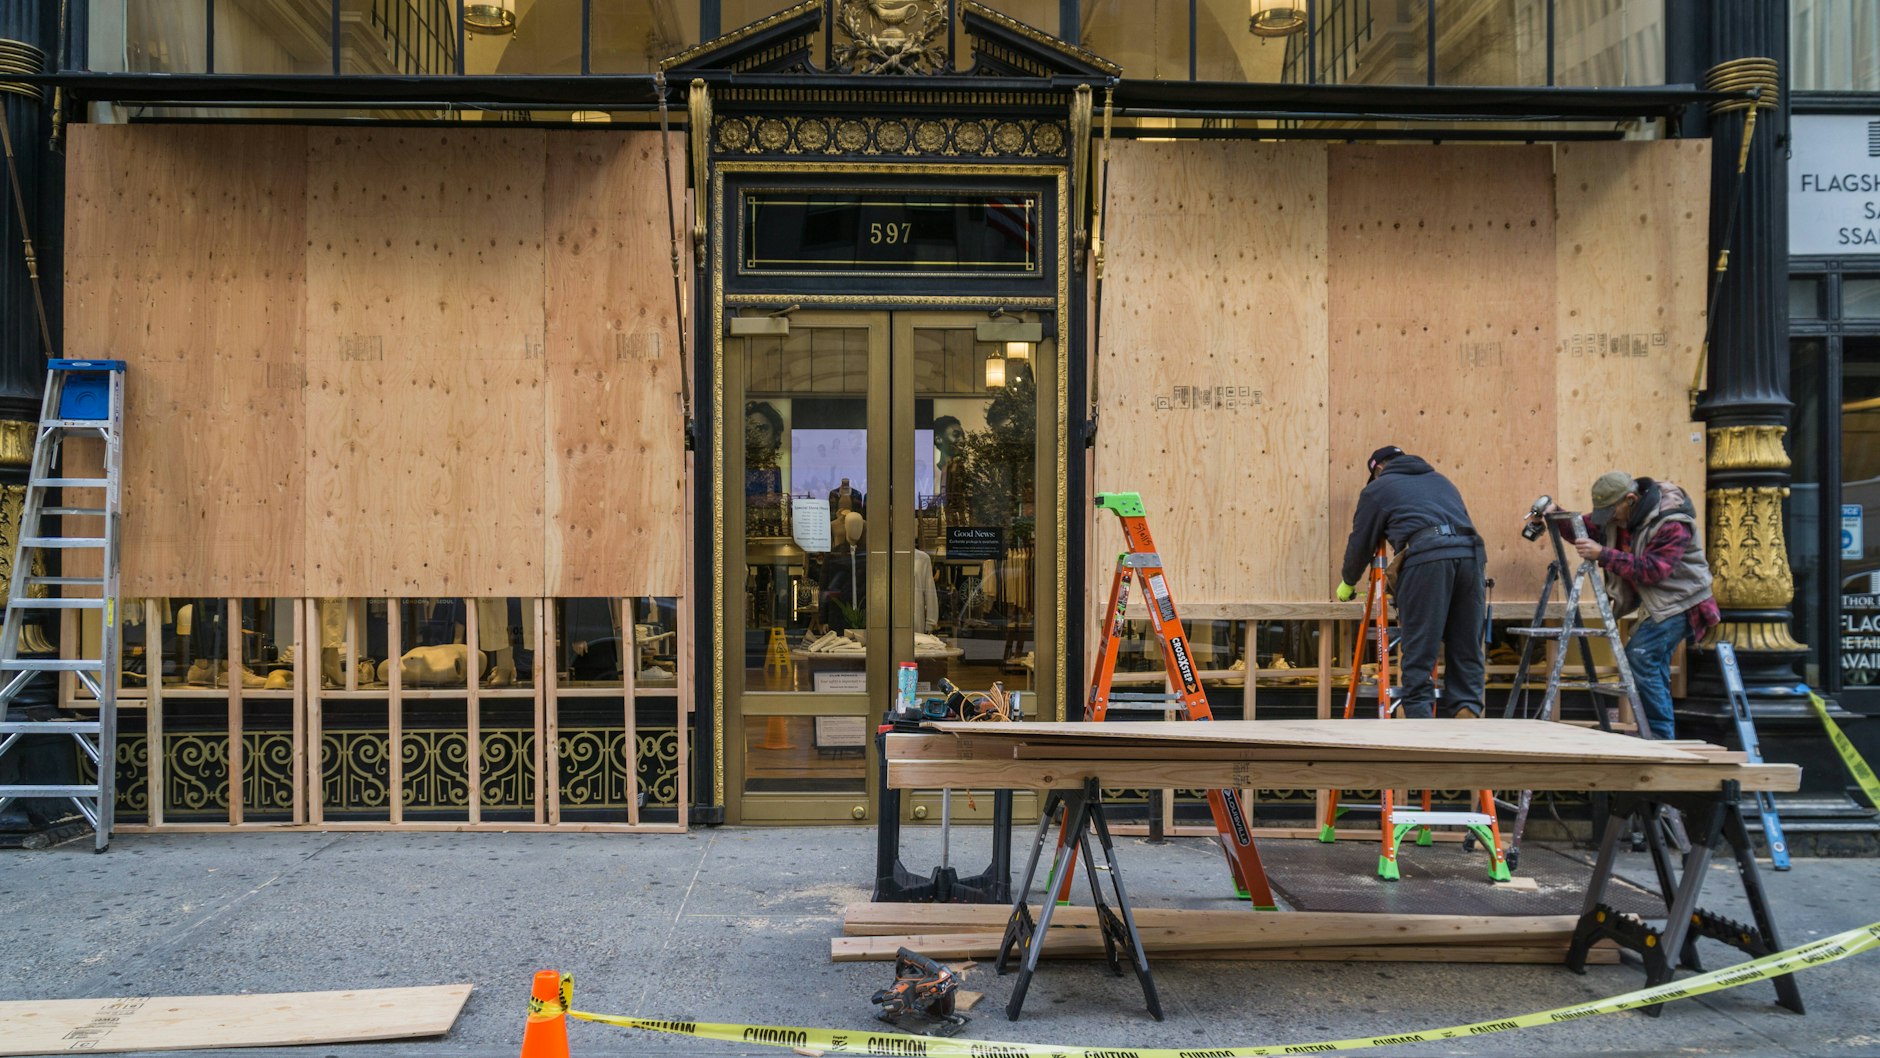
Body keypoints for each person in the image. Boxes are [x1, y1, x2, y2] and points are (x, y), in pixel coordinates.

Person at [1556, 471, 1718, 741]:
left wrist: (1603, 554)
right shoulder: (1622, 513)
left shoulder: (1672, 523)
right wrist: (1555, 513)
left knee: (1641, 656)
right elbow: (1584, 529)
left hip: (1684, 602)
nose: (1611, 519)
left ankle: (1658, 735)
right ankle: (1659, 732)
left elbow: (1654, 570)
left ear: (1630, 499)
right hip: (1659, 602)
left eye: (1613, 512)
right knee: (1652, 664)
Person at [1335, 445, 1486, 718]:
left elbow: (1361, 543)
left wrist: (1348, 581)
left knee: (1420, 644)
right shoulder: (1441, 480)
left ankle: (1417, 717)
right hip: (1471, 556)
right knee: (1466, 644)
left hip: (1428, 559)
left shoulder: (1377, 490)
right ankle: (1467, 713)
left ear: (1378, 469)